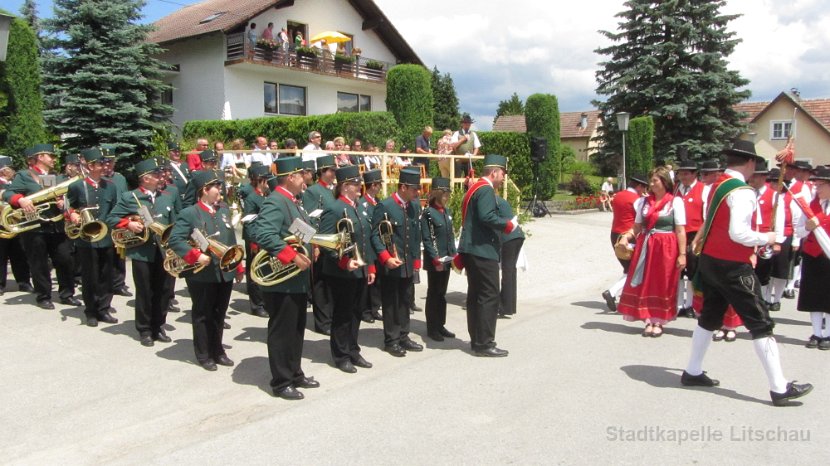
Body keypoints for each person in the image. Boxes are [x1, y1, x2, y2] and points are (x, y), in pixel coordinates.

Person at [684, 140, 813, 406]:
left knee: (710, 317)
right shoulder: (742, 192)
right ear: (751, 162)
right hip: (733, 265)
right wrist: (766, 236)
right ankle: (779, 388)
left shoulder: (716, 186)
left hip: (711, 261)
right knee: (761, 322)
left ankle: (692, 371)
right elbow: (738, 233)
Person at [252, 156, 320, 400]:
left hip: (297, 279)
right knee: (283, 330)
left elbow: (298, 229)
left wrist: (313, 245)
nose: (305, 179)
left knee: (296, 328)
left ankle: (294, 372)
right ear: (291, 177)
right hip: (283, 281)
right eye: (301, 174)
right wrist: (292, 256)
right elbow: (263, 233)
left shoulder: (293, 201)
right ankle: (281, 382)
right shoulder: (276, 201)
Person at [168, 170, 244, 371]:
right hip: (202, 273)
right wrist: (195, 255)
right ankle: (203, 353)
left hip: (224, 271)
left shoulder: (223, 210)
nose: (220, 190)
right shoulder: (189, 213)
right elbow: (175, 240)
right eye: (216, 187)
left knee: (220, 313)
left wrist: (238, 266)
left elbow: (231, 239)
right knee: (203, 313)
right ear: (204, 190)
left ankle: (218, 350)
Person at [107, 159, 178, 345]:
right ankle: (145, 329)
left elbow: (174, 223)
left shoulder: (166, 197)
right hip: (142, 253)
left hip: (163, 252)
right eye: (156, 175)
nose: (160, 177)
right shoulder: (131, 197)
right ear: (145, 178)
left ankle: (158, 325)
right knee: (145, 291)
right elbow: (112, 217)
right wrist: (129, 223)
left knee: (163, 291)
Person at [3, 144, 79, 309]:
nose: (53, 159)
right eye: (50, 156)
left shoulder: (57, 177)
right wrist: (20, 200)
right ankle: (43, 295)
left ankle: (67, 294)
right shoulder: (24, 176)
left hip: (56, 225)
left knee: (65, 259)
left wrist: (63, 204)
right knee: (39, 263)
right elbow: (8, 193)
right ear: (39, 157)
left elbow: (67, 198)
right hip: (34, 226)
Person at [456, 154, 516, 357]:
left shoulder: (475, 189)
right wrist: (508, 224)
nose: (502, 179)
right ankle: (485, 343)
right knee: (489, 295)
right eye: (502, 175)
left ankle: (477, 340)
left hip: (473, 250)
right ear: (494, 172)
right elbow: (487, 216)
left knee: (475, 295)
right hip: (483, 250)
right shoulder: (486, 190)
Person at [616, 166, 686, 337]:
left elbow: (680, 230)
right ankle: (647, 319)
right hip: (646, 246)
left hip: (666, 246)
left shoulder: (675, 202)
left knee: (662, 281)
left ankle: (659, 321)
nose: (652, 184)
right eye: (651, 180)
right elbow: (637, 227)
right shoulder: (644, 202)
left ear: (664, 182)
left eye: (655, 180)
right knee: (645, 282)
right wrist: (626, 237)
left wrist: (682, 254)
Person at [320, 165, 376, 373]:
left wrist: (370, 267)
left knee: (356, 312)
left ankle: (353, 349)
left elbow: (366, 239)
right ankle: (341, 354)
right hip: (341, 271)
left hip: (359, 269)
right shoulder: (334, 209)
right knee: (343, 314)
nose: (360, 185)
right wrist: (342, 261)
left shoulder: (359, 206)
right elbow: (325, 242)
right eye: (355, 183)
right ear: (345, 186)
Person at [370, 168, 423, 357]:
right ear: (403, 187)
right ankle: (391, 340)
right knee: (391, 302)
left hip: (407, 263)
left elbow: (415, 236)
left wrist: (416, 262)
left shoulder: (413, 206)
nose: (418, 193)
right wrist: (386, 258)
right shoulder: (385, 206)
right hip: (391, 264)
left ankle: (403, 335)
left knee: (405, 300)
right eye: (414, 189)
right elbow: (375, 235)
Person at [66, 148, 119, 327]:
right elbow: (68, 206)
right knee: (90, 276)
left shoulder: (110, 186)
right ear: (90, 166)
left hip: (105, 237)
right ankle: (91, 311)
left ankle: (104, 308)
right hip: (86, 238)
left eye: (105, 163)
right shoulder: (76, 186)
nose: (105, 166)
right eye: (100, 163)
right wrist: (72, 214)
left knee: (106, 275)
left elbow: (115, 209)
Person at [795, 165, 830, 350]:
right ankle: (817, 332)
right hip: (812, 254)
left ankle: (828, 334)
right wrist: (807, 227)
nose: (817, 188)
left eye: (821, 185)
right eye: (815, 185)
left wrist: (822, 220)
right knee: (814, 296)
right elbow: (799, 231)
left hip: (828, 256)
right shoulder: (810, 206)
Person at [601, 174, 648, 312]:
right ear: (639, 186)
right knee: (634, 269)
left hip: (614, 233)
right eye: (643, 187)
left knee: (629, 267)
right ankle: (612, 292)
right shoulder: (637, 200)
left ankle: (624, 296)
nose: (643, 190)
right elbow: (641, 219)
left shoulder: (619, 195)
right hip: (628, 236)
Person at [302, 154, 337, 335]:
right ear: (322, 171)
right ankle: (322, 322)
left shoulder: (332, 190)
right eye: (331, 171)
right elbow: (309, 219)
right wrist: (314, 244)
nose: (333, 174)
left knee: (330, 282)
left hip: (331, 242)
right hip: (319, 242)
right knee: (320, 284)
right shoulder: (312, 191)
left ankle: (329, 316)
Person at [421, 177, 458, 341]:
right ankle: (432, 327)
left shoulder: (446, 212)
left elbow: (450, 236)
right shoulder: (428, 213)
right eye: (445, 194)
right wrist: (435, 259)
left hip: (447, 258)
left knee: (442, 293)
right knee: (434, 293)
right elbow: (428, 238)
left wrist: (455, 255)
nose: (447, 197)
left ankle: (440, 324)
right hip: (435, 260)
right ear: (437, 194)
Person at [240, 165, 273, 318]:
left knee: (266, 270)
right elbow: (249, 221)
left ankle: (266, 301)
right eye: (266, 179)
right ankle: (257, 304)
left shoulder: (267, 194)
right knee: (254, 271)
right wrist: (254, 242)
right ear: (260, 180)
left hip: (266, 238)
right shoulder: (252, 198)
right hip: (255, 240)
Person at [674, 160, 705, 318]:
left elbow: (706, 218)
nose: (683, 177)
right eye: (681, 173)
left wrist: (698, 241)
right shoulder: (674, 190)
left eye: (687, 173)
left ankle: (691, 304)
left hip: (695, 235)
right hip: (677, 235)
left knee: (693, 272)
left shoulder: (703, 190)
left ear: (694, 174)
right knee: (678, 271)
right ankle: (679, 304)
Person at [0, 156, 33, 295]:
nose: (12, 171)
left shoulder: (16, 183)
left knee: (20, 254)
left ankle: (24, 281)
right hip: (2, 224)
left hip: (17, 224)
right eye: (9, 169)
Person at [359, 169, 383, 323]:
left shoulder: (377, 202)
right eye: (378, 184)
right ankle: (366, 310)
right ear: (373, 185)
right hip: (367, 245)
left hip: (377, 245)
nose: (380, 187)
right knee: (368, 279)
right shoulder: (362, 204)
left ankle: (374, 308)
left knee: (377, 281)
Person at [496, 194, 525, 319]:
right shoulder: (500, 200)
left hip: (508, 237)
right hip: (517, 234)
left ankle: (504, 306)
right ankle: (510, 305)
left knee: (507, 272)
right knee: (512, 271)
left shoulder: (491, 201)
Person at [451, 113, 481, 181]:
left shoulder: (473, 134)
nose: (467, 125)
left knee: (469, 179)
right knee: (457, 179)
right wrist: (462, 139)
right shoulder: (456, 133)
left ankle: (468, 191)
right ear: (462, 124)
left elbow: (477, 147)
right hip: (458, 160)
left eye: (469, 123)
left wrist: (474, 155)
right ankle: (456, 191)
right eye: (466, 123)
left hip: (469, 161)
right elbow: (453, 146)